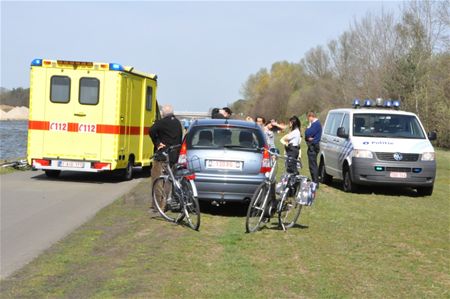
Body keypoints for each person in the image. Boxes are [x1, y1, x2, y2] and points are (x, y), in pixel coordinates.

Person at [305, 111, 322, 186]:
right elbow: (307, 136)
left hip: (313, 146)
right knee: (312, 164)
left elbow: (307, 133)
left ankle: (315, 182)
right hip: (312, 145)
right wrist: (308, 138)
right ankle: (314, 181)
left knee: (313, 165)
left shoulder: (316, 124)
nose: (308, 119)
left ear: (311, 116)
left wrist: (308, 128)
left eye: (308, 118)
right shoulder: (315, 124)